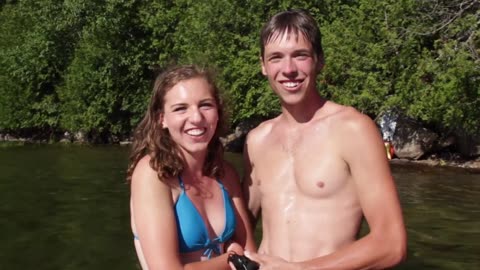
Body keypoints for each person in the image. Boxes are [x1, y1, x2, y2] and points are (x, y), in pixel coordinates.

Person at [240, 9, 407, 269]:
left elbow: (391, 244)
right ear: (263, 65)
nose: (288, 69)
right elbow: (239, 232)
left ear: (319, 60)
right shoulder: (256, 140)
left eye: (300, 55)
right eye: (276, 58)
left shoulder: (353, 130)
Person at [127, 65, 256, 270]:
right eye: (180, 108)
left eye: (205, 105)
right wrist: (231, 257)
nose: (196, 118)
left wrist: (240, 255)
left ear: (217, 112)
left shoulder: (226, 174)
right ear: (162, 119)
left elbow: (251, 254)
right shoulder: (152, 175)